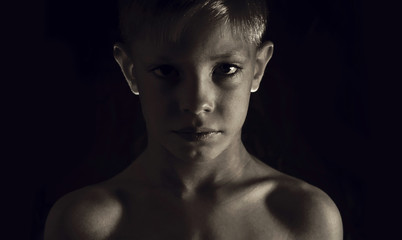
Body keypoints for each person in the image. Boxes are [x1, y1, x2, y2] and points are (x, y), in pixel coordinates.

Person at [44, 0, 343, 239]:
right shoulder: (87, 225)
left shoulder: (304, 217)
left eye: (225, 69)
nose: (197, 102)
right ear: (130, 71)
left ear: (258, 68)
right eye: (166, 71)